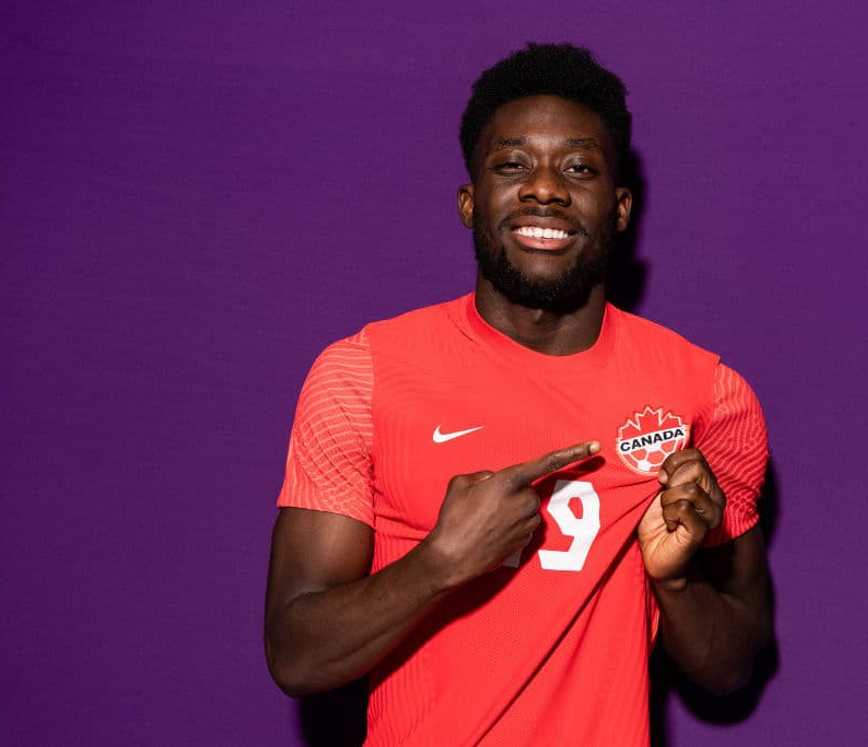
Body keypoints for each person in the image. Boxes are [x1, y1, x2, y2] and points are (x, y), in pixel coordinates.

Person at [264, 42, 773, 746]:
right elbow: (296, 651)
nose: (544, 188)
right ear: (470, 203)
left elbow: (733, 666)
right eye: (512, 165)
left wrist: (675, 583)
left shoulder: (707, 395)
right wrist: (439, 563)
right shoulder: (362, 375)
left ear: (619, 208)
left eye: (578, 168)